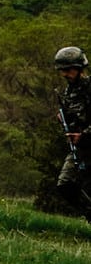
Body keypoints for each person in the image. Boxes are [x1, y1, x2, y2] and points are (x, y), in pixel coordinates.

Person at [53, 46, 90, 222]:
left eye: (69, 70)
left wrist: (85, 135)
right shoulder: (69, 91)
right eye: (63, 70)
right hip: (79, 148)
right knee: (65, 184)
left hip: (87, 142)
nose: (65, 74)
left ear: (79, 68)